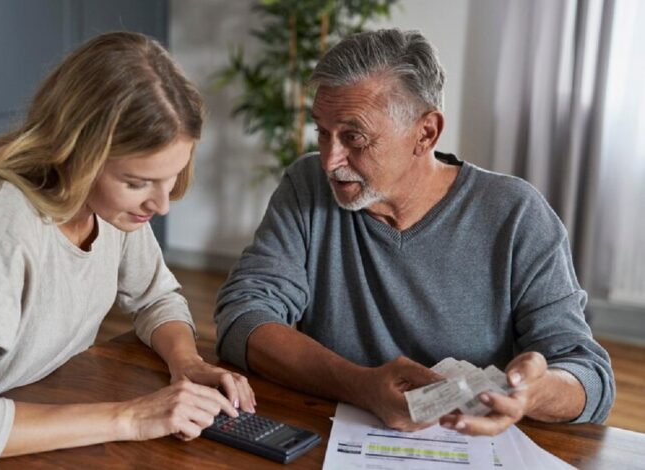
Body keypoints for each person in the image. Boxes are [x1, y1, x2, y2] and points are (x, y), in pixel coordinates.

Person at [0, 31, 255, 466]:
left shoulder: (112, 211)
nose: (161, 204)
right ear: (78, 152)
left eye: (171, 177)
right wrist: (132, 418)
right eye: (138, 182)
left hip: (16, 430)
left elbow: (156, 297)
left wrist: (187, 363)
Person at [214, 28, 614, 437]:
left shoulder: (516, 213)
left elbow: (589, 376)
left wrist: (534, 393)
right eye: (322, 131)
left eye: (354, 137)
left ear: (426, 134)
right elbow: (243, 316)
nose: (330, 161)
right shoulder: (306, 186)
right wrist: (359, 384)